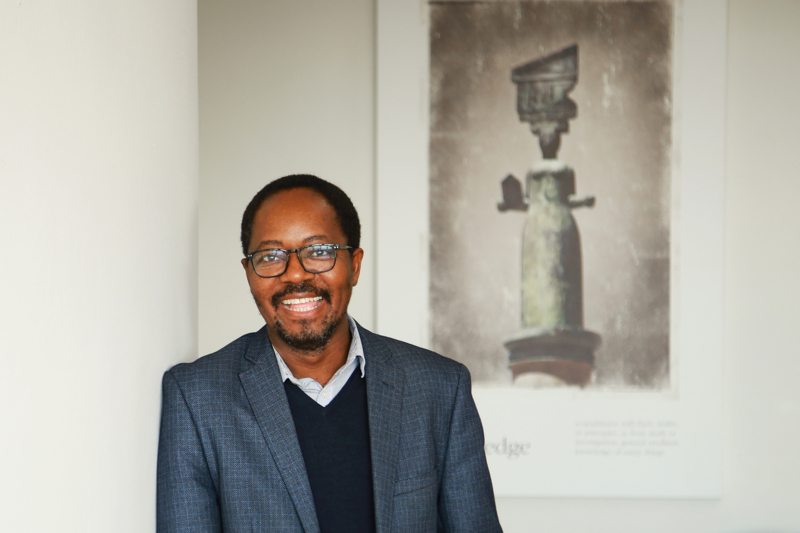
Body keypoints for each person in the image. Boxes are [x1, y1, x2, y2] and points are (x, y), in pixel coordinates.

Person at [157, 174, 502, 533]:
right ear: (248, 272)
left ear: (354, 264)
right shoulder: (197, 397)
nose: (294, 275)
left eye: (319, 251)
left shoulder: (439, 388)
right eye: (271, 256)